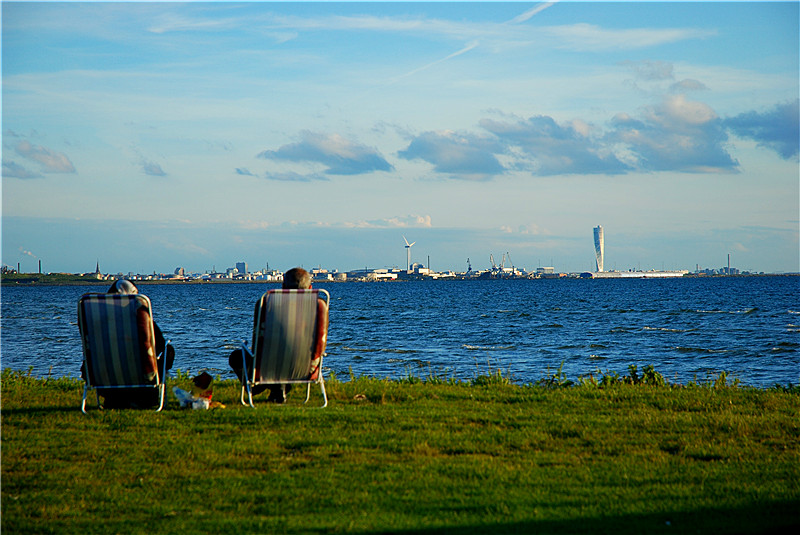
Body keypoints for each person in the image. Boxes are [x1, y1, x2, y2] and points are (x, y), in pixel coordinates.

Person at [229, 267, 329, 403]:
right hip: (306, 368)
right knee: (288, 355)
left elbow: (257, 344)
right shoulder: (319, 306)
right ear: (310, 287)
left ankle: (260, 388)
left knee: (236, 357)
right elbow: (320, 346)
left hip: (267, 366)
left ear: (283, 286)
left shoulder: (266, 304)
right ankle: (279, 389)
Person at [81, 280, 175, 408]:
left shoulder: (93, 317)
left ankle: (115, 399)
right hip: (141, 377)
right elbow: (159, 345)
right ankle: (144, 398)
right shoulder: (140, 317)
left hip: (102, 377)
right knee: (168, 350)